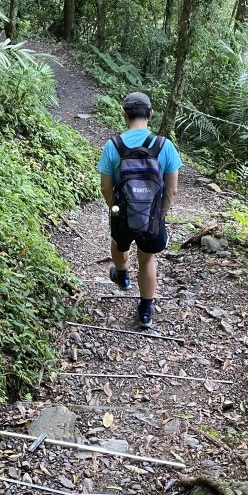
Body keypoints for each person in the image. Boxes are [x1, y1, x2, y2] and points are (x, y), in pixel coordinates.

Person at [97, 92, 182, 326]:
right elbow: (172, 190)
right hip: (152, 215)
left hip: (121, 213)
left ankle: (122, 274)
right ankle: (145, 311)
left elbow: (106, 187)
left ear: (124, 114)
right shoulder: (165, 146)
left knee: (119, 242)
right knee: (146, 259)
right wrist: (159, 214)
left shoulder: (113, 146)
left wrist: (115, 210)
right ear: (150, 114)